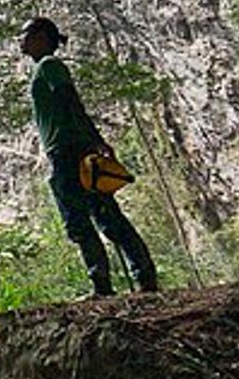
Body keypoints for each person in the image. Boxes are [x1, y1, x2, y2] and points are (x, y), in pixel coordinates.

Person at [21, 16, 159, 296]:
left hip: (68, 151)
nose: (20, 40)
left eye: (24, 34)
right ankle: (142, 279)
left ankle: (107, 285)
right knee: (105, 215)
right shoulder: (43, 68)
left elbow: (71, 102)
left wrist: (96, 141)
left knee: (81, 220)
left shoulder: (49, 66)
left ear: (40, 37)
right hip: (71, 149)